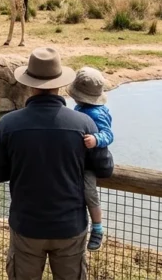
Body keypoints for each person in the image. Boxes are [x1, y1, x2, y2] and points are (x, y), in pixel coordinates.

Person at [0, 47, 114, 280]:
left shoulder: (8, 124)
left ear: (28, 83)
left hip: (26, 225)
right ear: (60, 82)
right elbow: (105, 168)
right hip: (70, 227)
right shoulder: (84, 123)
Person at [68, 67, 114, 252]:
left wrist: (96, 140)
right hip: (80, 158)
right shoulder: (81, 107)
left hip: (91, 162)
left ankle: (97, 228)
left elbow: (109, 134)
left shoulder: (96, 113)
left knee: (89, 191)